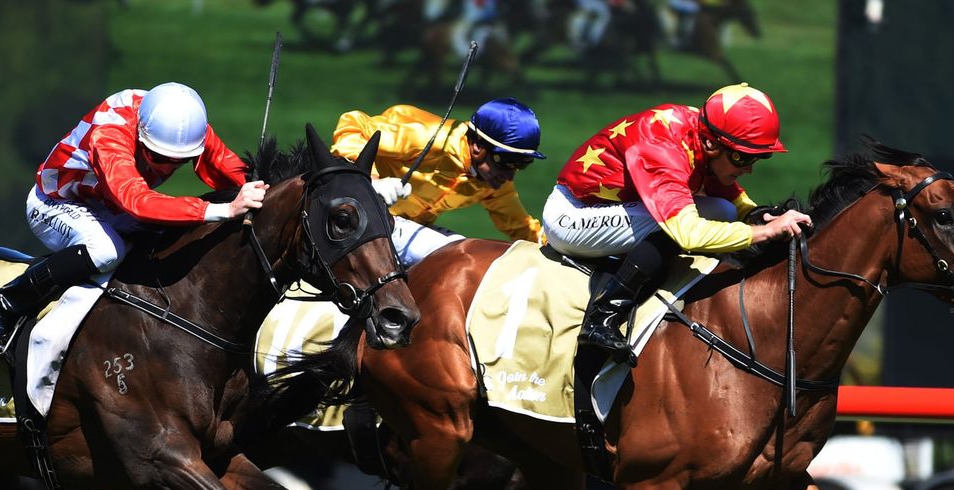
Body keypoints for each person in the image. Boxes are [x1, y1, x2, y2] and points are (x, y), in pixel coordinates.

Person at [0, 82, 268, 355]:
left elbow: (225, 167)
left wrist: (264, 185)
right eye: (160, 158)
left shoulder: (182, 125)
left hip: (108, 206)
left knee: (171, 238)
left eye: (181, 161)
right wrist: (224, 210)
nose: (168, 168)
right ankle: (0, 306)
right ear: (140, 134)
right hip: (55, 202)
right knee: (106, 250)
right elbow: (136, 200)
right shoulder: (110, 134)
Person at [541, 82, 813, 363]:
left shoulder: (703, 136)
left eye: (759, 157)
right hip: (572, 216)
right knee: (677, 224)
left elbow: (730, 198)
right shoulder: (663, 148)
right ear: (710, 144)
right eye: (741, 157)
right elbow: (688, 235)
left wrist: (760, 216)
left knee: (721, 209)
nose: (749, 168)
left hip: (614, 207)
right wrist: (764, 231)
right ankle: (603, 317)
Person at [331, 97, 544, 267]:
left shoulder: (493, 181)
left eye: (521, 165)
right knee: (454, 256)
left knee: (470, 253)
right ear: (479, 147)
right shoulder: (428, 139)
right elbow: (352, 124)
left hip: (398, 226)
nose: (509, 176)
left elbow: (521, 226)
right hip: (356, 220)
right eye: (507, 162)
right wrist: (371, 180)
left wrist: (560, 247)